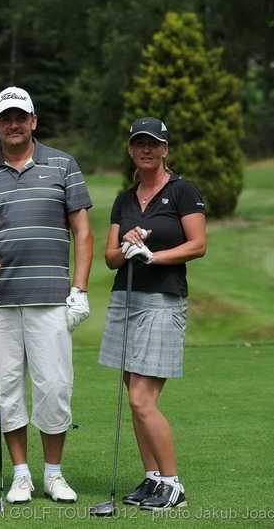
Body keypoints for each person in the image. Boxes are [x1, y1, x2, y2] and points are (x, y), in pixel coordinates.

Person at [0, 87, 94, 504]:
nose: (13, 124)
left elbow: (82, 231)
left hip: (50, 297)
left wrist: (79, 289)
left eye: (20, 117)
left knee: (54, 386)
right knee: (5, 388)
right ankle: (21, 475)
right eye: (5, 118)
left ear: (34, 121)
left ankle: (53, 473)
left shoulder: (63, 164)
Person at [98, 117, 206, 510]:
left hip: (163, 299)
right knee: (134, 396)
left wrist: (152, 255)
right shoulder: (124, 199)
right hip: (126, 300)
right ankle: (154, 478)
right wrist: (128, 245)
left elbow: (198, 245)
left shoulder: (182, 191)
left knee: (142, 400)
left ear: (165, 149)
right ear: (131, 150)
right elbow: (110, 258)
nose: (147, 149)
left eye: (154, 143)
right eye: (140, 143)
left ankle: (173, 485)